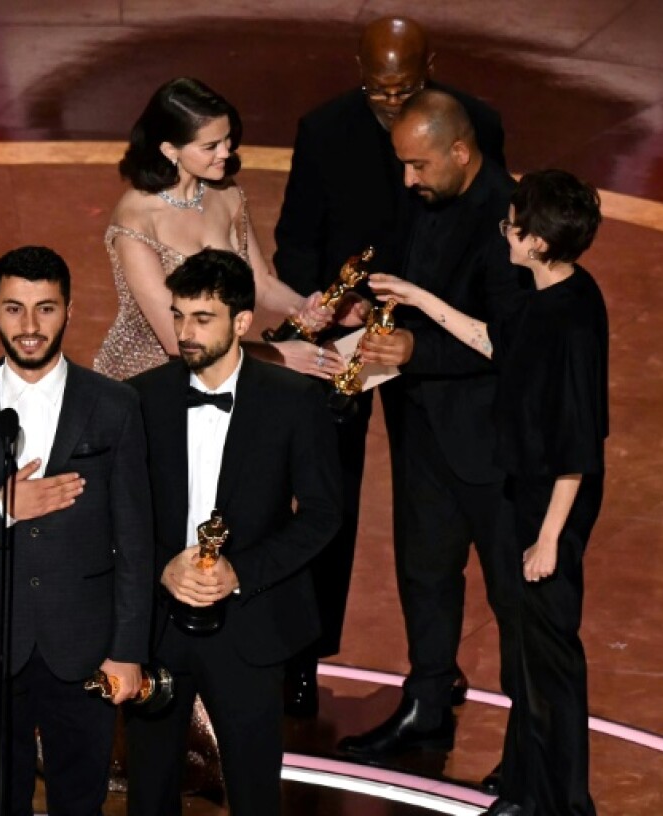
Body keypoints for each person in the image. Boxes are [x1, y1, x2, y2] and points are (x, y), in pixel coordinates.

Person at [271, 15, 507, 717]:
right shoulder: (324, 129)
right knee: (324, 497)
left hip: (426, 348)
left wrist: (428, 325)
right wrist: (323, 305)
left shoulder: (474, 123)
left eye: (401, 89)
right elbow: (295, 237)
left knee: (430, 519)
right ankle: (305, 657)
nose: (387, 102)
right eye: (376, 90)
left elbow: (484, 242)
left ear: (430, 68)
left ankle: (432, 677)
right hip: (343, 338)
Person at [368, 169, 609, 816]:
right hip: (525, 493)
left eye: (511, 227)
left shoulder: (575, 324)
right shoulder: (546, 291)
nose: (503, 232)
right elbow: (495, 340)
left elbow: (579, 448)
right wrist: (419, 296)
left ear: (535, 243)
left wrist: (549, 540)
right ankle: (528, 790)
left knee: (551, 664)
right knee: (532, 659)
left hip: (546, 507)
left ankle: (561, 802)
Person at [0, 245, 154, 816]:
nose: (30, 326)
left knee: (79, 804)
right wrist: (2, 506)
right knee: (0, 805)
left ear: (69, 310)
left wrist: (127, 650)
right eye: (14, 309)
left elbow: (137, 539)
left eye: (45, 308)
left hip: (86, 649)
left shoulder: (113, 405)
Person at [335, 90, 529, 763]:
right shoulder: (423, 200)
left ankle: (529, 751)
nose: (409, 179)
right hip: (422, 432)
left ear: (460, 150)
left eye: (419, 165)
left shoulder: (511, 221)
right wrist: (370, 310)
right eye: (403, 167)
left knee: (515, 599)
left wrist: (416, 350)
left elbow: (510, 341)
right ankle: (425, 707)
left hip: (497, 448)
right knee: (425, 573)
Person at [124, 249, 342, 816]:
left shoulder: (293, 402)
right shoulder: (140, 400)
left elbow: (322, 513)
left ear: (242, 322)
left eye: (203, 318)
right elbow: (118, 514)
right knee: (149, 792)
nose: (185, 332)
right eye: (178, 316)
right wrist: (162, 568)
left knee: (253, 793)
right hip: (158, 627)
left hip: (250, 630)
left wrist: (241, 571)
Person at [94, 76, 344, 383]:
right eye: (210, 146)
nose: (225, 152)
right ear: (170, 150)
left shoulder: (227, 194)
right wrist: (277, 355)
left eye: (227, 140)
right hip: (151, 381)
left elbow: (261, 281)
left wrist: (301, 305)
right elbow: (177, 341)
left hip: (221, 369)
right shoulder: (136, 220)